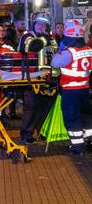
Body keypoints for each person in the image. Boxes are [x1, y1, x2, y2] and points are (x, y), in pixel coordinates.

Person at [51, 20, 92, 155]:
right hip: (85, 89)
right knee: (86, 115)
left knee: (72, 117)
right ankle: (90, 141)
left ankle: (77, 147)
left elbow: (54, 63)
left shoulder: (68, 53)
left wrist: (61, 49)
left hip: (71, 91)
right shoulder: (88, 50)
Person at [17, 12, 58, 145]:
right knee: (31, 107)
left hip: (49, 78)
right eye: (39, 23)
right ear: (34, 24)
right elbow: (32, 47)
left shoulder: (51, 38)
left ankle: (42, 132)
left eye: (44, 24)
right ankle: (26, 135)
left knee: (45, 107)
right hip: (32, 78)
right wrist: (45, 38)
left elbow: (56, 52)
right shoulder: (27, 36)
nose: (42, 26)